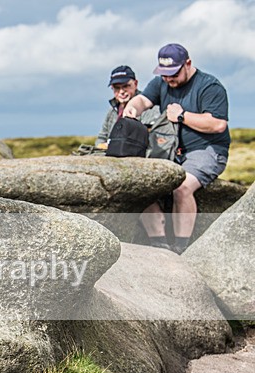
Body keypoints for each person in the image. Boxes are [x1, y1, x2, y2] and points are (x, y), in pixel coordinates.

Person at [124, 43, 230, 254]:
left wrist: (182, 116)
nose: (168, 79)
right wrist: (132, 108)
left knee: (181, 187)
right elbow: (142, 100)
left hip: (207, 150)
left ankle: (181, 248)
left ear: (187, 64)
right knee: (142, 187)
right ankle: (159, 244)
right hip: (171, 151)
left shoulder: (210, 86)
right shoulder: (161, 83)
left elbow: (218, 124)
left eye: (173, 74)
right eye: (164, 74)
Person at [96, 65, 160, 149]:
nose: (121, 91)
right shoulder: (112, 111)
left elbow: (151, 139)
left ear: (135, 84)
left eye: (126, 86)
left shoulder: (148, 107)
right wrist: (103, 146)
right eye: (116, 88)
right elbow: (101, 138)